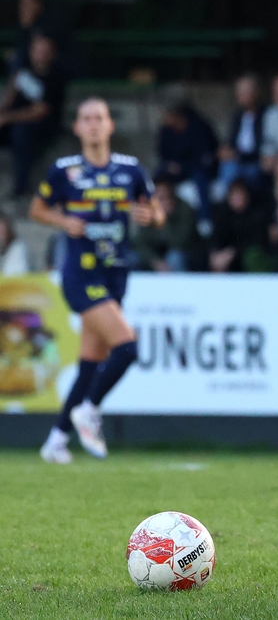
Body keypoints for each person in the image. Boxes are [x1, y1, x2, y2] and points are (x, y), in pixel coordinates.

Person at [30, 97, 165, 464]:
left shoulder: (131, 169)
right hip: (80, 273)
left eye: (99, 118)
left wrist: (149, 215)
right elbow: (36, 209)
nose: (92, 124)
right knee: (127, 347)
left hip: (116, 271)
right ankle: (90, 408)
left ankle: (56, 440)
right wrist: (63, 221)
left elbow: (156, 210)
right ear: (76, 127)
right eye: (85, 119)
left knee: (91, 361)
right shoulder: (64, 170)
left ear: (110, 126)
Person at [0, 33, 68, 199]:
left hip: (42, 128)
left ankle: (21, 187)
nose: (40, 55)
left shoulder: (55, 77)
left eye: (45, 51)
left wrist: (7, 118)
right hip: (13, 122)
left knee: (21, 133)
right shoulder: (22, 70)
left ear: (52, 54)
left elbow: (40, 111)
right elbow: (9, 96)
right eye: (37, 51)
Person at [157, 101, 219, 228]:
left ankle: (205, 219)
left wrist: (183, 166)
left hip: (198, 167)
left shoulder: (198, 126)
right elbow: (163, 155)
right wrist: (171, 165)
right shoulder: (166, 131)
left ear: (176, 115)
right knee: (157, 175)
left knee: (200, 177)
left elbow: (206, 155)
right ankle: (157, 212)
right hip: (175, 169)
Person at [131, 176, 204, 272]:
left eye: (164, 194)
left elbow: (178, 243)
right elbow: (140, 242)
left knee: (174, 257)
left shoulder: (185, 210)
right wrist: (155, 261)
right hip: (157, 254)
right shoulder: (149, 208)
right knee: (132, 258)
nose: (160, 197)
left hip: (186, 254)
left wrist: (165, 219)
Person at [209, 178, 272, 273]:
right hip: (226, 259)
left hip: (245, 257)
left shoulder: (257, 214)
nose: (237, 199)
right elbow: (216, 237)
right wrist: (214, 253)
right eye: (234, 195)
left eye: (240, 195)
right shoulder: (223, 213)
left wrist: (233, 253)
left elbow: (258, 240)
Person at [217, 74, 266, 196]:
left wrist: (237, 154)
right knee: (227, 168)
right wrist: (226, 151)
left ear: (255, 93)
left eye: (244, 92)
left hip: (255, 162)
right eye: (238, 93)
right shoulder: (238, 116)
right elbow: (232, 141)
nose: (239, 96)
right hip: (238, 161)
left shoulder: (265, 115)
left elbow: (263, 147)